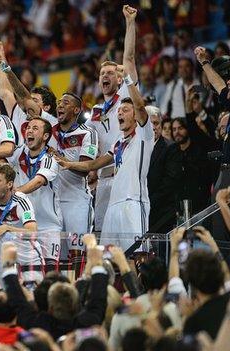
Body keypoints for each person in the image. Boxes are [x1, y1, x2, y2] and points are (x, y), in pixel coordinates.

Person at [58, 61, 152, 251]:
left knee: (136, 255)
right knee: (107, 256)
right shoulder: (117, 143)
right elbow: (94, 164)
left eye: (125, 110)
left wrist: (127, 77)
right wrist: (68, 164)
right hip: (110, 200)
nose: (120, 113)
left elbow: (140, 106)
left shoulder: (143, 135)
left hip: (132, 201)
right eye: (119, 111)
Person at [87, 5, 139, 232]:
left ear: (119, 80)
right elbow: (91, 147)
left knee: (126, 236)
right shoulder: (95, 112)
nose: (105, 76)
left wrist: (129, 23)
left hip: (124, 178)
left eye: (110, 73)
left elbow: (129, 58)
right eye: (102, 74)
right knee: (101, 235)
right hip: (103, 181)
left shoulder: (125, 98)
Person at [195, 30, 230, 250]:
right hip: (225, 172)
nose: (229, 83)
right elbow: (218, 86)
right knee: (218, 231)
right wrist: (204, 63)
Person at [0, 117, 63, 267]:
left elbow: (38, 181)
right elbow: (1, 166)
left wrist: (14, 194)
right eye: (28, 127)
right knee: (24, 272)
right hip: (24, 225)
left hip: (48, 226)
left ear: (45, 136)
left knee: (49, 272)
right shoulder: (20, 151)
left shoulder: (50, 159)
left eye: (35, 128)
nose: (29, 130)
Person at [50, 93, 97, 246]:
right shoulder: (49, 131)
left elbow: (85, 169)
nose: (60, 105)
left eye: (66, 102)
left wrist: (61, 159)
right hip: (52, 202)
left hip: (76, 201)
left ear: (77, 110)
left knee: (77, 254)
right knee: (58, 257)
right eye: (59, 102)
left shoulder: (87, 133)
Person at [145, 106, 177, 234]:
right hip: (138, 210)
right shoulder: (135, 146)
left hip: (161, 214)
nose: (153, 127)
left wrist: (147, 201)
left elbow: (169, 183)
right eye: (149, 123)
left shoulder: (171, 148)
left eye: (156, 123)